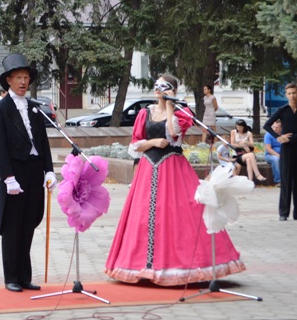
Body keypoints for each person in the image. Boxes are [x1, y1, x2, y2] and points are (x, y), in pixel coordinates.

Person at [105, 74, 245, 285]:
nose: (159, 89)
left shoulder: (183, 112)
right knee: (144, 215)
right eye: (156, 86)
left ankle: (180, 266)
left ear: (173, 90)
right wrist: (152, 141)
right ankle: (141, 266)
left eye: (165, 86)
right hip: (148, 169)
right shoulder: (145, 113)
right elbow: (135, 145)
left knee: (180, 213)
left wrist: (171, 106)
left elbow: (173, 134)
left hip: (173, 169)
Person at [0, 53, 57, 293]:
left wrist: (49, 171)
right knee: (12, 226)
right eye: (18, 77)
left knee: (29, 223)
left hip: (34, 171)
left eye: (26, 77)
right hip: (14, 174)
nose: (23, 82)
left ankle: (25, 276)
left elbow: (43, 143)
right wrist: (8, 178)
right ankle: (11, 277)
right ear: (8, 80)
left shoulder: (35, 109)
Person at [263, 83, 297, 221]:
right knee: (286, 181)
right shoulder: (282, 110)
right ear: (286, 95)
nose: (292, 96)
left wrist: (289, 139)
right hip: (286, 151)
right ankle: (283, 213)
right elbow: (267, 125)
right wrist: (279, 137)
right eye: (289, 93)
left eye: (294, 93)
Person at [202, 84, 218, 164]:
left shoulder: (213, 97)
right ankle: (202, 143)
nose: (204, 90)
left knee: (213, 128)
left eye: (205, 89)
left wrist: (212, 112)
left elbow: (216, 106)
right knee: (204, 128)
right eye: (204, 89)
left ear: (209, 90)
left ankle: (215, 143)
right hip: (206, 113)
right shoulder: (204, 97)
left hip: (211, 113)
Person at [263, 119, 283, 185]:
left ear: (281, 128)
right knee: (276, 159)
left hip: (283, 154)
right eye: (273, 127)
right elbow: (268, 149)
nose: (274, 129)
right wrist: (278, 155)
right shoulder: (268, 135)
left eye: (277, 127)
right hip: (270, 155)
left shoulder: (284, 134)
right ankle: (278, 181)